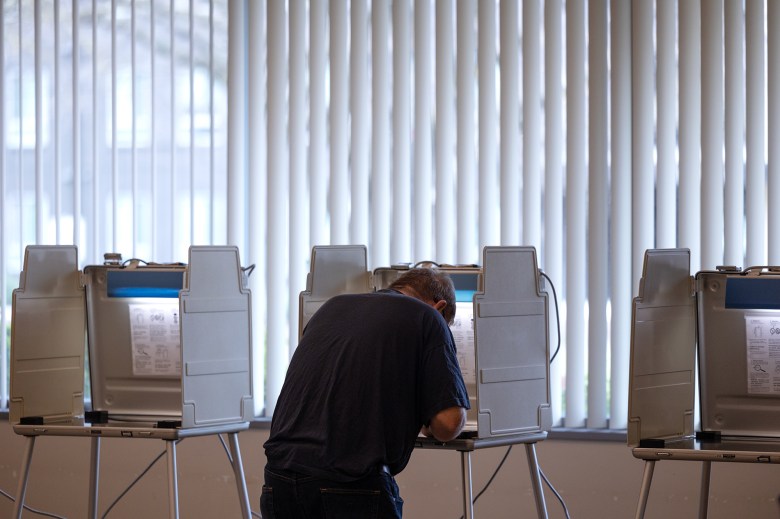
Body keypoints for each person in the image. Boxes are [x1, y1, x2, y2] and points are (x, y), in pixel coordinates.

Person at [261, 267, 470, 519]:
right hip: (348, 483)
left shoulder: (332, 307)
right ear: (439, 307)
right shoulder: (428, 316)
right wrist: (427, 421)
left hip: (279, 477)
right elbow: (448, 425)